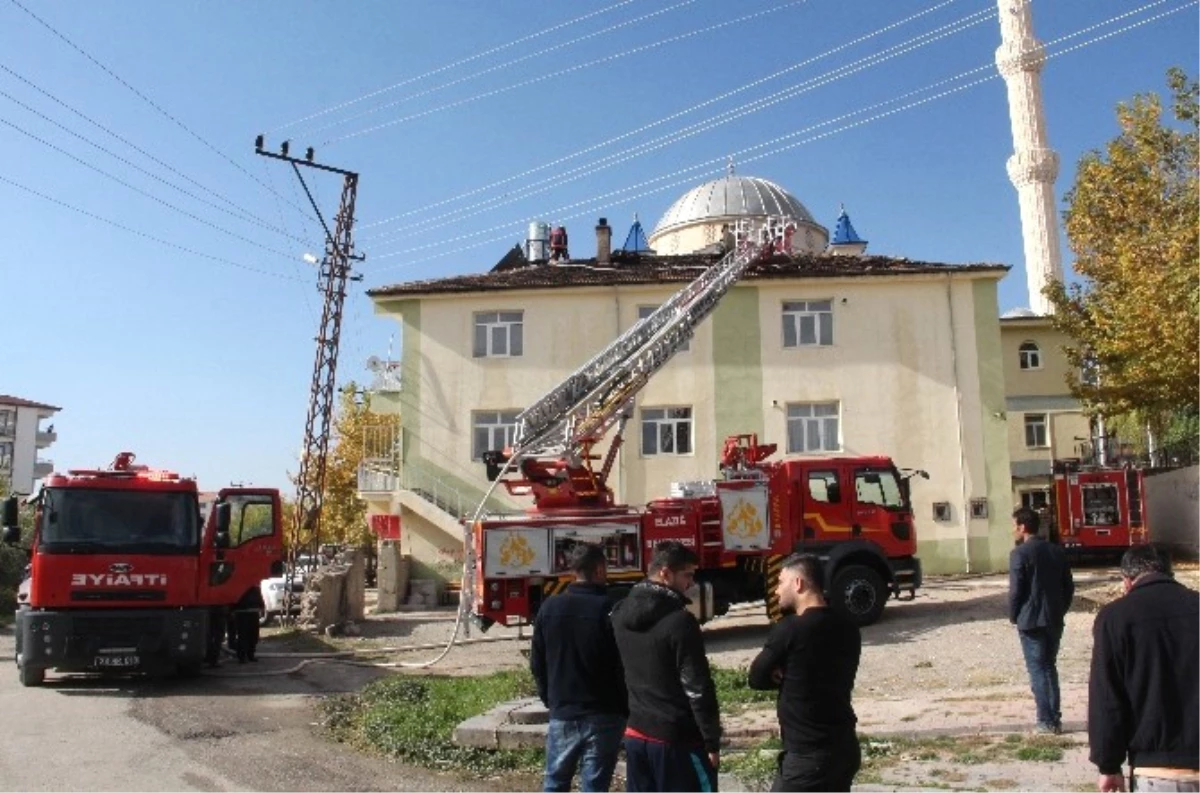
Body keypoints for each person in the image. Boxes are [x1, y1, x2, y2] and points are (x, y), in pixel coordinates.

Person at [1089, 544, 1200, 793]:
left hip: (1157, 768)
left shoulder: (1115, 617)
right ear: (1171, 573)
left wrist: (1108, 765)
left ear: (1126, 581)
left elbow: (1107, 698)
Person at [612, 540, 721, 793]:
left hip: (636, 734)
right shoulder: (680, 622)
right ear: (665, 573)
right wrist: (711, 741)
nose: (691, 583)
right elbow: (697, 687)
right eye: (687, 575)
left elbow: (617, 672)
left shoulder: (619, 614)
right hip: (677, 739)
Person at [748, 553, 861, 792]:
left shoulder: (790, 629)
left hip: (807, 758)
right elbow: (818, 669)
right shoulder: (849, 628)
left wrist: (778, 674)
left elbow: (756, 677)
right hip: (844, 748)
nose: (777, 590)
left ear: (798, 583)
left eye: (780, 582)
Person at [530, 544, 627, 793]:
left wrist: (550, 699)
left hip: (563, 711)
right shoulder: (611, 609)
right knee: (595, 785)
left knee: (555, 782)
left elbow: (537, 662)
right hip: (605, 712)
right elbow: (622, 664)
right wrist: (624, 706)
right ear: (599, 569)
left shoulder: (549, 608)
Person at [1008, 506, 1074, 734]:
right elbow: (1068, 587)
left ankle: (1046, 721)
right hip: (1054, 619)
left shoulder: (1020, 554)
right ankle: (1054, 718)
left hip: (1031, 621)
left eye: (1014, 525)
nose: (1013, 530)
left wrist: (1013, 615)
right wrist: (1060, 610)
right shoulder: (1056, 551)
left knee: (1037, 669)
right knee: (1049, 667)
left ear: (1023, 527)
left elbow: (1016, 590)